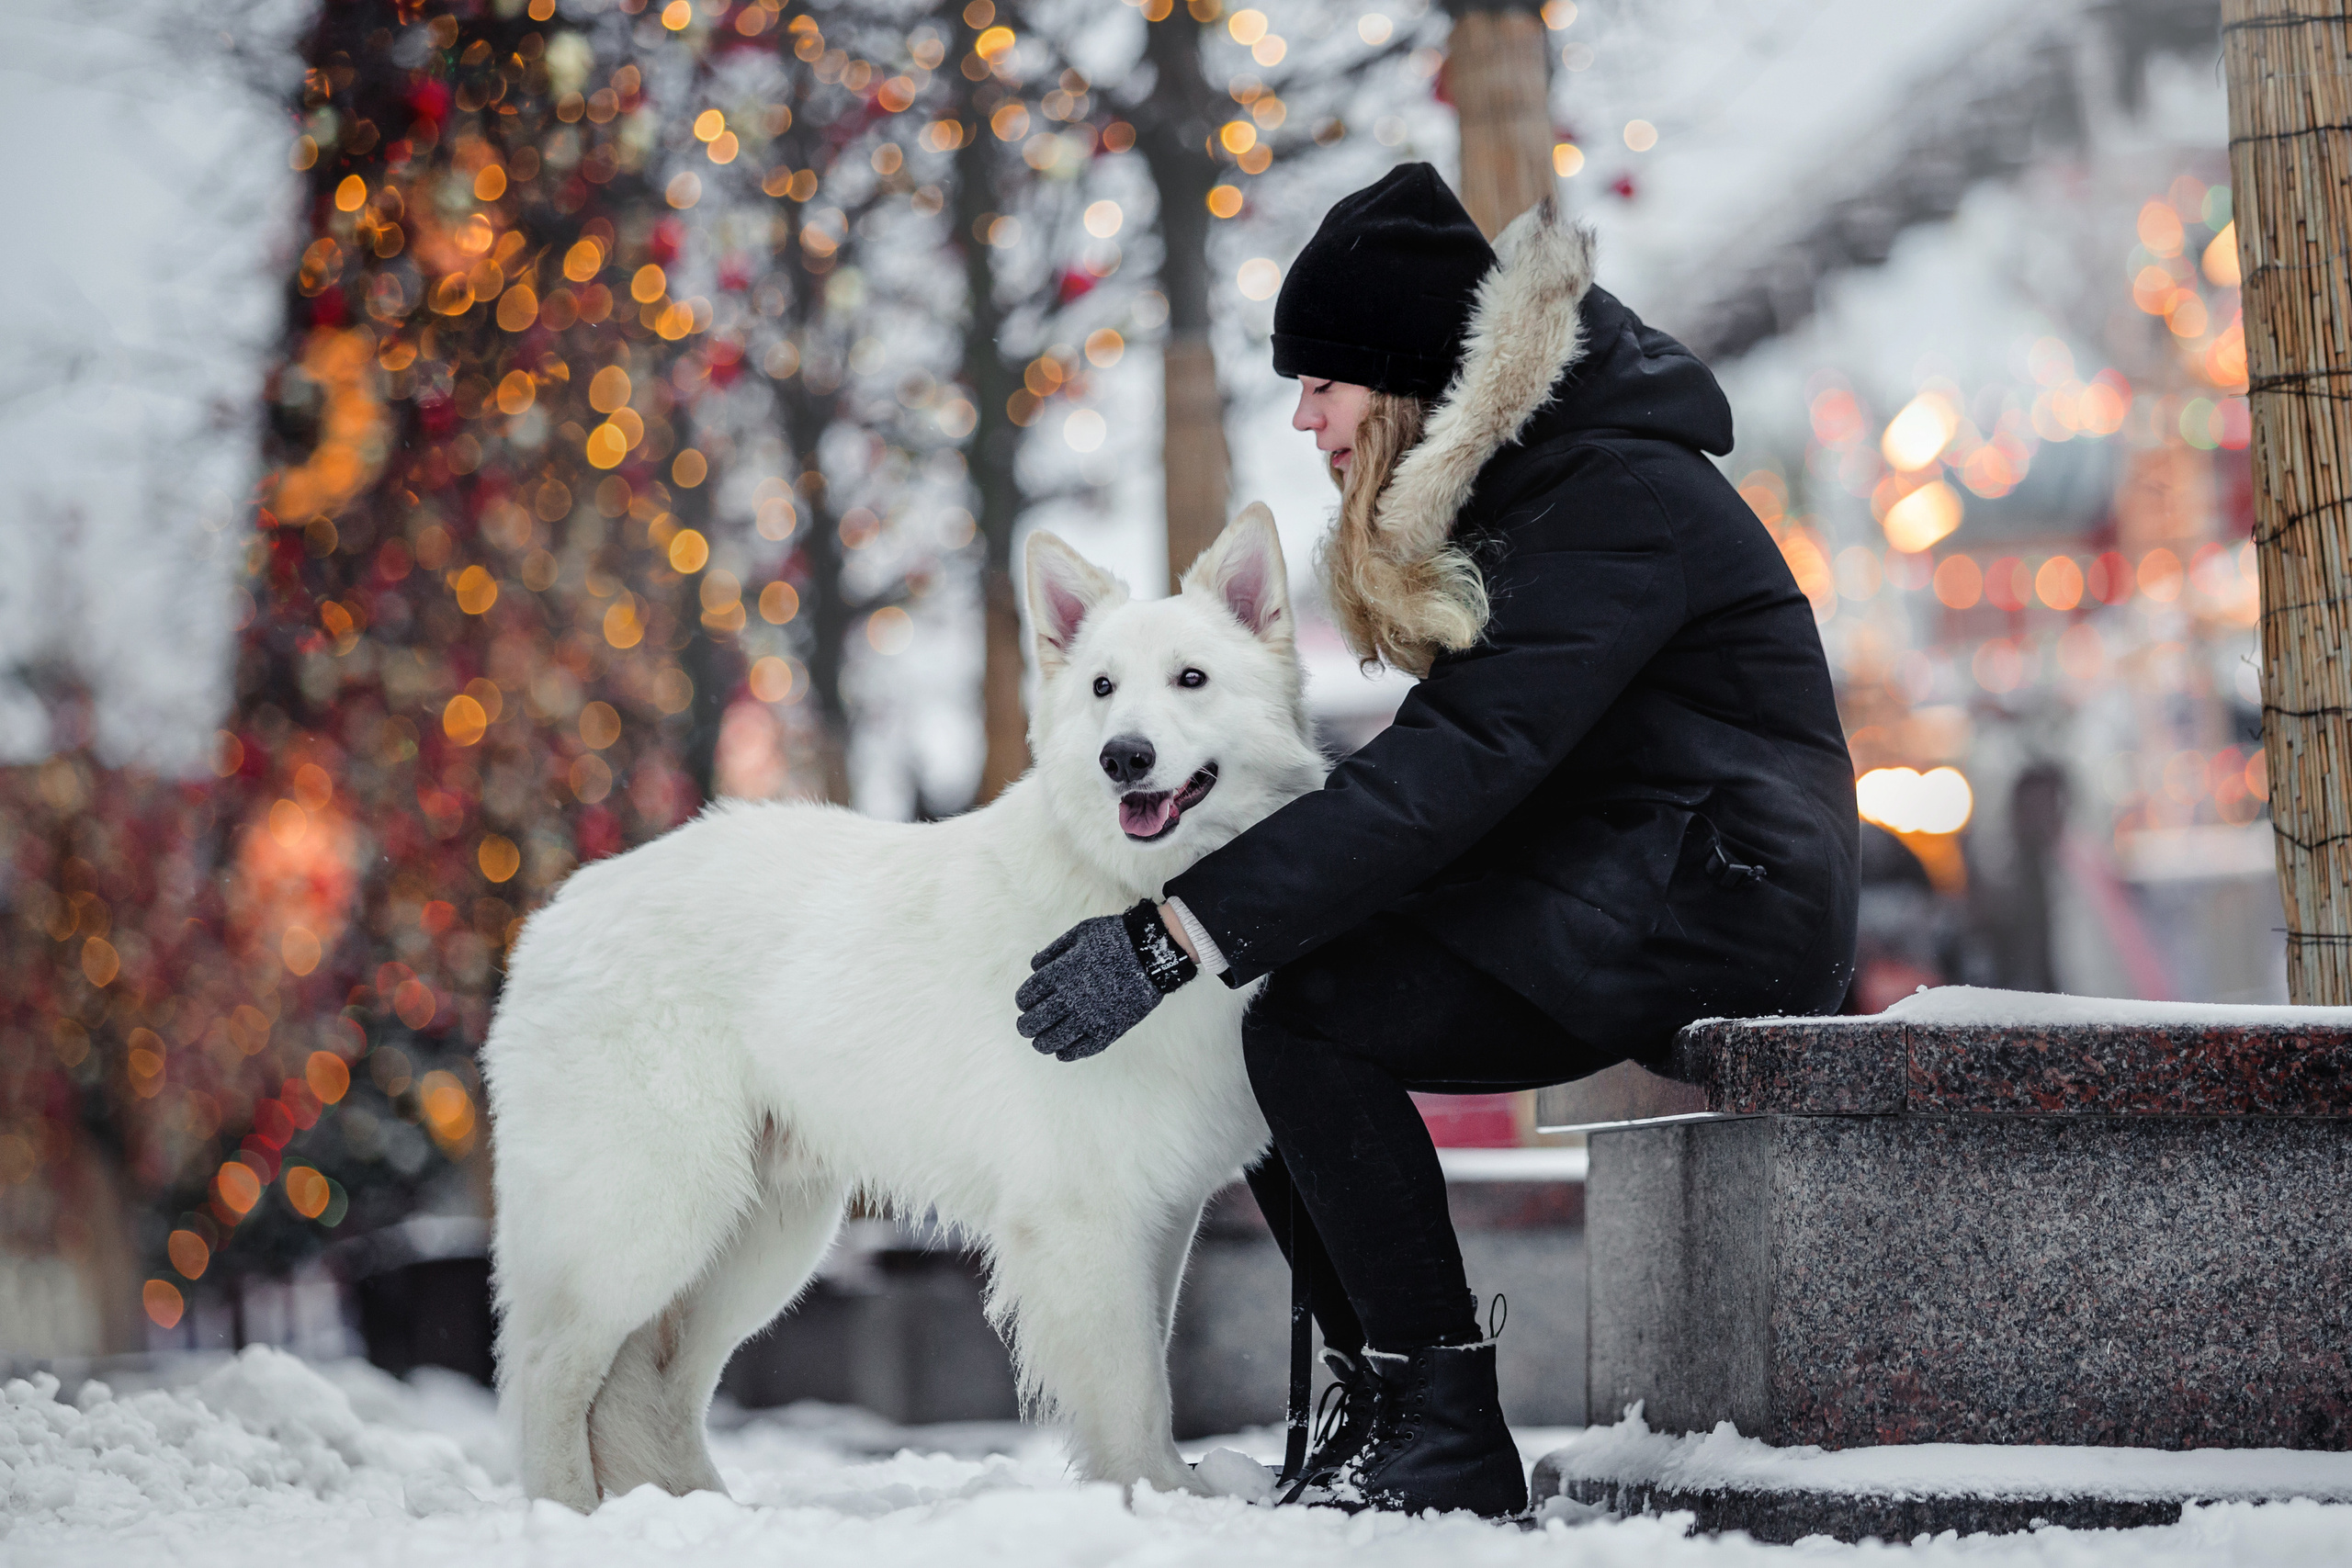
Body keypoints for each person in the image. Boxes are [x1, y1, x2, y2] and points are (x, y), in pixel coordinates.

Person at [1013, 164, 1859, 1517]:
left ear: (1400, 373)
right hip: (1638, 867)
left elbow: (1464, 766)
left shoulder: (1610, 496)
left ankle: (1442, 1427)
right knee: (1291, 999)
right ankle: (1400, 1404)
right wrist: (1248, 912)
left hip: (1716, 893)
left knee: (1309, 1022)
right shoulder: (1549, 485)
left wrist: (1177, 936)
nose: (1305, 419)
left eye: (1322, 385)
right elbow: (1467, 771)